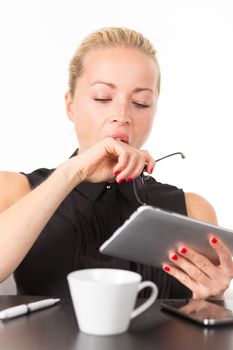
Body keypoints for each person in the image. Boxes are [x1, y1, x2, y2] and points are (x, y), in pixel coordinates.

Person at [0, 27, 232, 300]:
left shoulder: (193, 209)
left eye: (140, 102)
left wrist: (210, 298)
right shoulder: (16, 190)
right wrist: (75, 171)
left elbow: (202, 332)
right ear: (70, 105)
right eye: (102, 98)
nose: (121, 115)